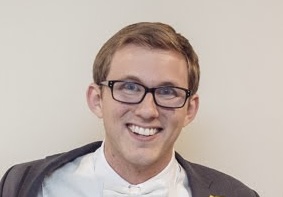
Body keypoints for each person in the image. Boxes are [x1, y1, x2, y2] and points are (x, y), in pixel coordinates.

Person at [0, 22, 259, 197]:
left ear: (190, 109)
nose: (148, 110)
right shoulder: (22, 184)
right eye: (130, 88)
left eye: (168, 91)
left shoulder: (237, 195)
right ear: (97, 99)